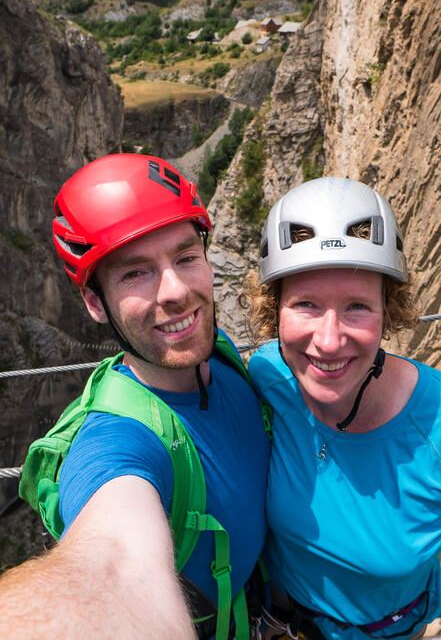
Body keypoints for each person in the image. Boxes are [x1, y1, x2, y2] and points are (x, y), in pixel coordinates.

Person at [0, 154, 270, 640]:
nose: (176, 292)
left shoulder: (222, 355)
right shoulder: (117, 442)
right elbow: (115, 569)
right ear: (94, 302)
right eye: (135, 273)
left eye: (187, 257)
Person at [242, 176, 441, 640]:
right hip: (280, 620)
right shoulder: (270, 376)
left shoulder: (433, 425)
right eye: (306, 304)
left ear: (389, 312)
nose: (328, 342)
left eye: (356, 307)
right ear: (275, 313)